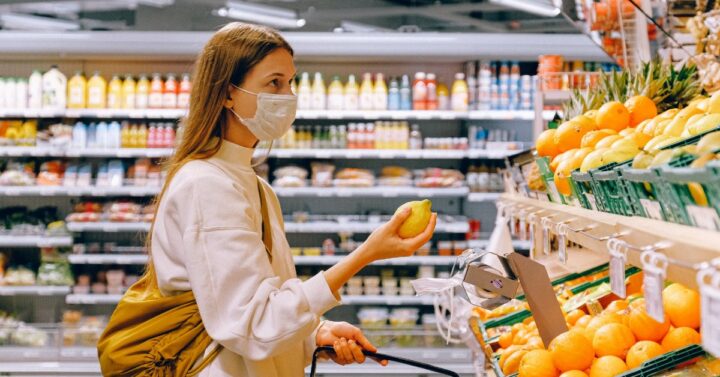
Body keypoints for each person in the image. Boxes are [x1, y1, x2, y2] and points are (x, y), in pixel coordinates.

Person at [147, 22, 437, 377]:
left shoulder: (255, 186)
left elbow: (265, 303)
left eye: (291, 83)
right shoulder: (206, 185)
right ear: (227, 93)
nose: (287, 96)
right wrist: (366, 254)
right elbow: (252, 326)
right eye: (274, 83)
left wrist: (315, 335)